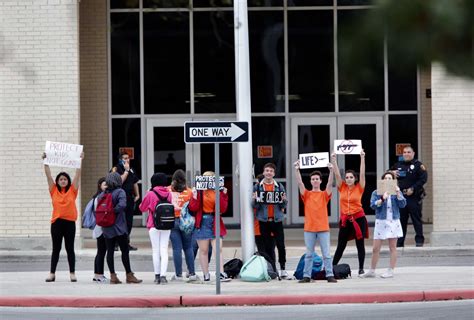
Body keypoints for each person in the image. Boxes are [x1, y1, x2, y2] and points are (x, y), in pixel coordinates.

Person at [42, 152, 83, 283]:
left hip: (70, 223)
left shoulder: (73, 190)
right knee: (56, 249)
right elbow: (48, 176)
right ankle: (52, 273)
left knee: (70, 248)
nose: (63, 181)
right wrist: (46, 162)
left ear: (68, 181)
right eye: (61, 179)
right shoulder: (53, 190)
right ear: (58, 181)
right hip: (57, 223)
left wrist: (80, 160)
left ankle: (72, 273)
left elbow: (78, 175)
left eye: (65, 179)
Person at [294, 160, 337, 283]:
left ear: (320, 180)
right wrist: (297, 170)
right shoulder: (307, 194)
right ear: (311, 181)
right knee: (309, 254)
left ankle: (329, 274)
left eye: (317, 179)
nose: (315, 181)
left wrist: (331, 171)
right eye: (313, 179)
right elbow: (300, 183)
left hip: (323, 228)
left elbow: (330, 184)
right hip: (309, 228)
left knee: (327, 254)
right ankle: (306, 276)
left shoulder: (324, 194)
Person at [331, 150, 369, 277]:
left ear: (355, 178)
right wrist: (334, 160)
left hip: (358, 218)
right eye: (346, 177)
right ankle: (331, 267)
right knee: (341, 245)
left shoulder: (359, 187)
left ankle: (361, 268)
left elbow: (363, 173)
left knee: (360, 244)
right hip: (345, 220)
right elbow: (336, 174)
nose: (348, 179)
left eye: (351, 177)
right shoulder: (342, 187)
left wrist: (362, 158)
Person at [188, 171, 231, 282]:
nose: (206, 180)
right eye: (204, 178)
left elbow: (223, 209)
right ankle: (206, 275)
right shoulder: (199, 191)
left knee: (218, 249)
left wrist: (223, 194)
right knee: (204, 250)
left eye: (209, 178)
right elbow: (193, 208)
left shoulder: (218, 190)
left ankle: (221, 273)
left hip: (215, 221)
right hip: (202, 222)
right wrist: (194, 196)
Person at [362, 171, 407, 279]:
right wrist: (382, 198)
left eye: (390, 179)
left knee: (392, 247)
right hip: (381, 221)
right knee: (375, 248)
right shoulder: (376, 192)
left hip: (393, 221)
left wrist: (398, 193)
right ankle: (372, 270)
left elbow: (403, 204)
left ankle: (390, 270)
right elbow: (372, 206)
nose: (387, 180)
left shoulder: (396, 192)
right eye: (385, 178)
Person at [101, 172, 142, 284]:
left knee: (110, 251)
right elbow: (123, 205)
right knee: (124, 251)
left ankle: (113, 276)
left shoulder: (104, 193)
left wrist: (108, 212)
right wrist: (113, 211)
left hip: (107, 227)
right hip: (119, 227)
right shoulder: (120, 192)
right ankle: (129, 275)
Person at [252, 163, 289, 279]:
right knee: (268, 247)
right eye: (267, 170)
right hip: (263, 220)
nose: (269, 173)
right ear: (263, 172)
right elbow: (255, 206)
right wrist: (254, 200)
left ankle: (283, 269)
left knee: (281, 245)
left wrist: (284, 200)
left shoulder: (279, 186)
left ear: (274, 173)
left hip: (277, 220)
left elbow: (283, 204)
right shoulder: (258, 187)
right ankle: (273, 269)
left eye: (271, 171)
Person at [139, 173, 173, 284]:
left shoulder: (151, 193)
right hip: (166, 224)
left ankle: (157, 276)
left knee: (155, 250)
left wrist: (147, 194)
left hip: (153, 225)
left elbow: (142, 208)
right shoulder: (169, 194)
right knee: (164, 250)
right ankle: (163, 276)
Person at [390, 146, 428, 247]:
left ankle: (419, 241)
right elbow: (386, 175)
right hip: (401, 197)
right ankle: (400, 242)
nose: (406, 154)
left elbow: (423, 179)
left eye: (408, 152)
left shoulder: (418, 165)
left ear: (413, 153)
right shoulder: (398, 165)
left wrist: (413, 188)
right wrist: (391, 172)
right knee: (401, 220)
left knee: (416, 220)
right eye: (404, 152)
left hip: (413, 197)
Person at [168, 169, 198, 282]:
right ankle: (192, 273)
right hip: (186, 222)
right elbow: (194, 207)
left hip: (173, 221)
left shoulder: (168, 191)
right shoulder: (189, 192)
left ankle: (178, 275)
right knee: (188, 247)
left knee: (177, 248)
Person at [112, 152, 140, 251]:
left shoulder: (131, 169)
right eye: (124, 158)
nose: (127, 160)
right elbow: (119, 181)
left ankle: (126, 243)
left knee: (129, 222)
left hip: (129, 198)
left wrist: (137, 194)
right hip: (119, 199)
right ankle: (115, 243)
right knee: (119, 221)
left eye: (128, 158)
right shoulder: (116, 169)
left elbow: (135, 182)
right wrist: (126, 171)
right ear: (120, 159)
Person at [92, 177, 108, 283]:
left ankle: (97, 274)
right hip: (101, 227)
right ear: (100, 186)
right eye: (104, 185)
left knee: (100, 252)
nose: (106, 186)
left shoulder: (97, 197)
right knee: (101, 252)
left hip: (99, 227)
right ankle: (99, 275)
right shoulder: (99, 198)